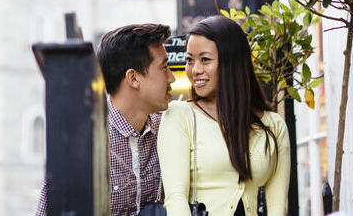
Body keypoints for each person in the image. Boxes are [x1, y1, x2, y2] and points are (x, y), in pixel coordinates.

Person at [35, 23, 175, 216]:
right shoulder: (84, 143)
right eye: (164, 68)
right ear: (133, 78)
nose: (172, 78)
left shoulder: (169, 130)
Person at [158, 15, 290, 216]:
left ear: (232, 62)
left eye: (205, 60)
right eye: (190, 60)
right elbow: (176, 199)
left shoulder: (273, 125)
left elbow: (277, 206)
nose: (195, 70)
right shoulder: (180, 115)